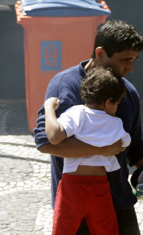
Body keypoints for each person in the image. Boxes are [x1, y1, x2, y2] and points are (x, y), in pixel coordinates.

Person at [34, 20, 143, 234]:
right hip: (75, 206)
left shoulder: (128, 93)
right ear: (100, 53)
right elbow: (45, 142)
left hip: (119, 205)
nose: (130, 68)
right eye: (125, 60)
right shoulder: (65, 86)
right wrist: (102, 151)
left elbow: (134, 146)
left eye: (134, 60)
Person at [44, 67, 131, 235]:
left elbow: (54, 136)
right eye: (117, 104)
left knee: (63, 231)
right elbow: (123, 144)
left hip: (72, 187)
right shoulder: (115, 123)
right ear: (108, 102)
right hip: (100, 188)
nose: (116, 109)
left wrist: (49, 108)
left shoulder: (77, 113)